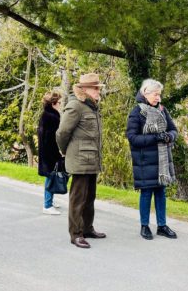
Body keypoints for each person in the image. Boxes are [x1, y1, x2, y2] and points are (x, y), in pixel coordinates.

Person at [56, 73, 106, 249]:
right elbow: (62, 133)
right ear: (84, 89)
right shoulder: (76, 106)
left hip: (92, 159)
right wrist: (65, 151)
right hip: (79, 160)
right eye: (95, 88)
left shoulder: (92, 107)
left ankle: (87, 228)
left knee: (89, 197)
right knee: (78, 199)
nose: (99, 91)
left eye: (99, 88)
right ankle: (76, 234)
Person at [126, 79, 178, 240]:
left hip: (162, 161)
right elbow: (132, 138)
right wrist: (155, 138)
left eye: (159, 95)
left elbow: (174, 130)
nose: (158, 98)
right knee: (147, 193)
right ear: (146, 92)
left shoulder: (163, 110)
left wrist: (169, 136)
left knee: (161, 192)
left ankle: (162, 226)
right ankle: (145, 226)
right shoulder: (137, 112)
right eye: (156, 94)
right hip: (145, 161)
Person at [37, 90, 63, 215]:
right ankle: (47, 205)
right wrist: (58, 153)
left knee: (51, 176)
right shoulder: (53, 117)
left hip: (45, 151)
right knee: (51, 177)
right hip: (50, 152)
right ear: (53, 103)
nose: (60, 105)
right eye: (59, 102)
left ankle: (50, 201)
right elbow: (52, 138)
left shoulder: (46, 115)